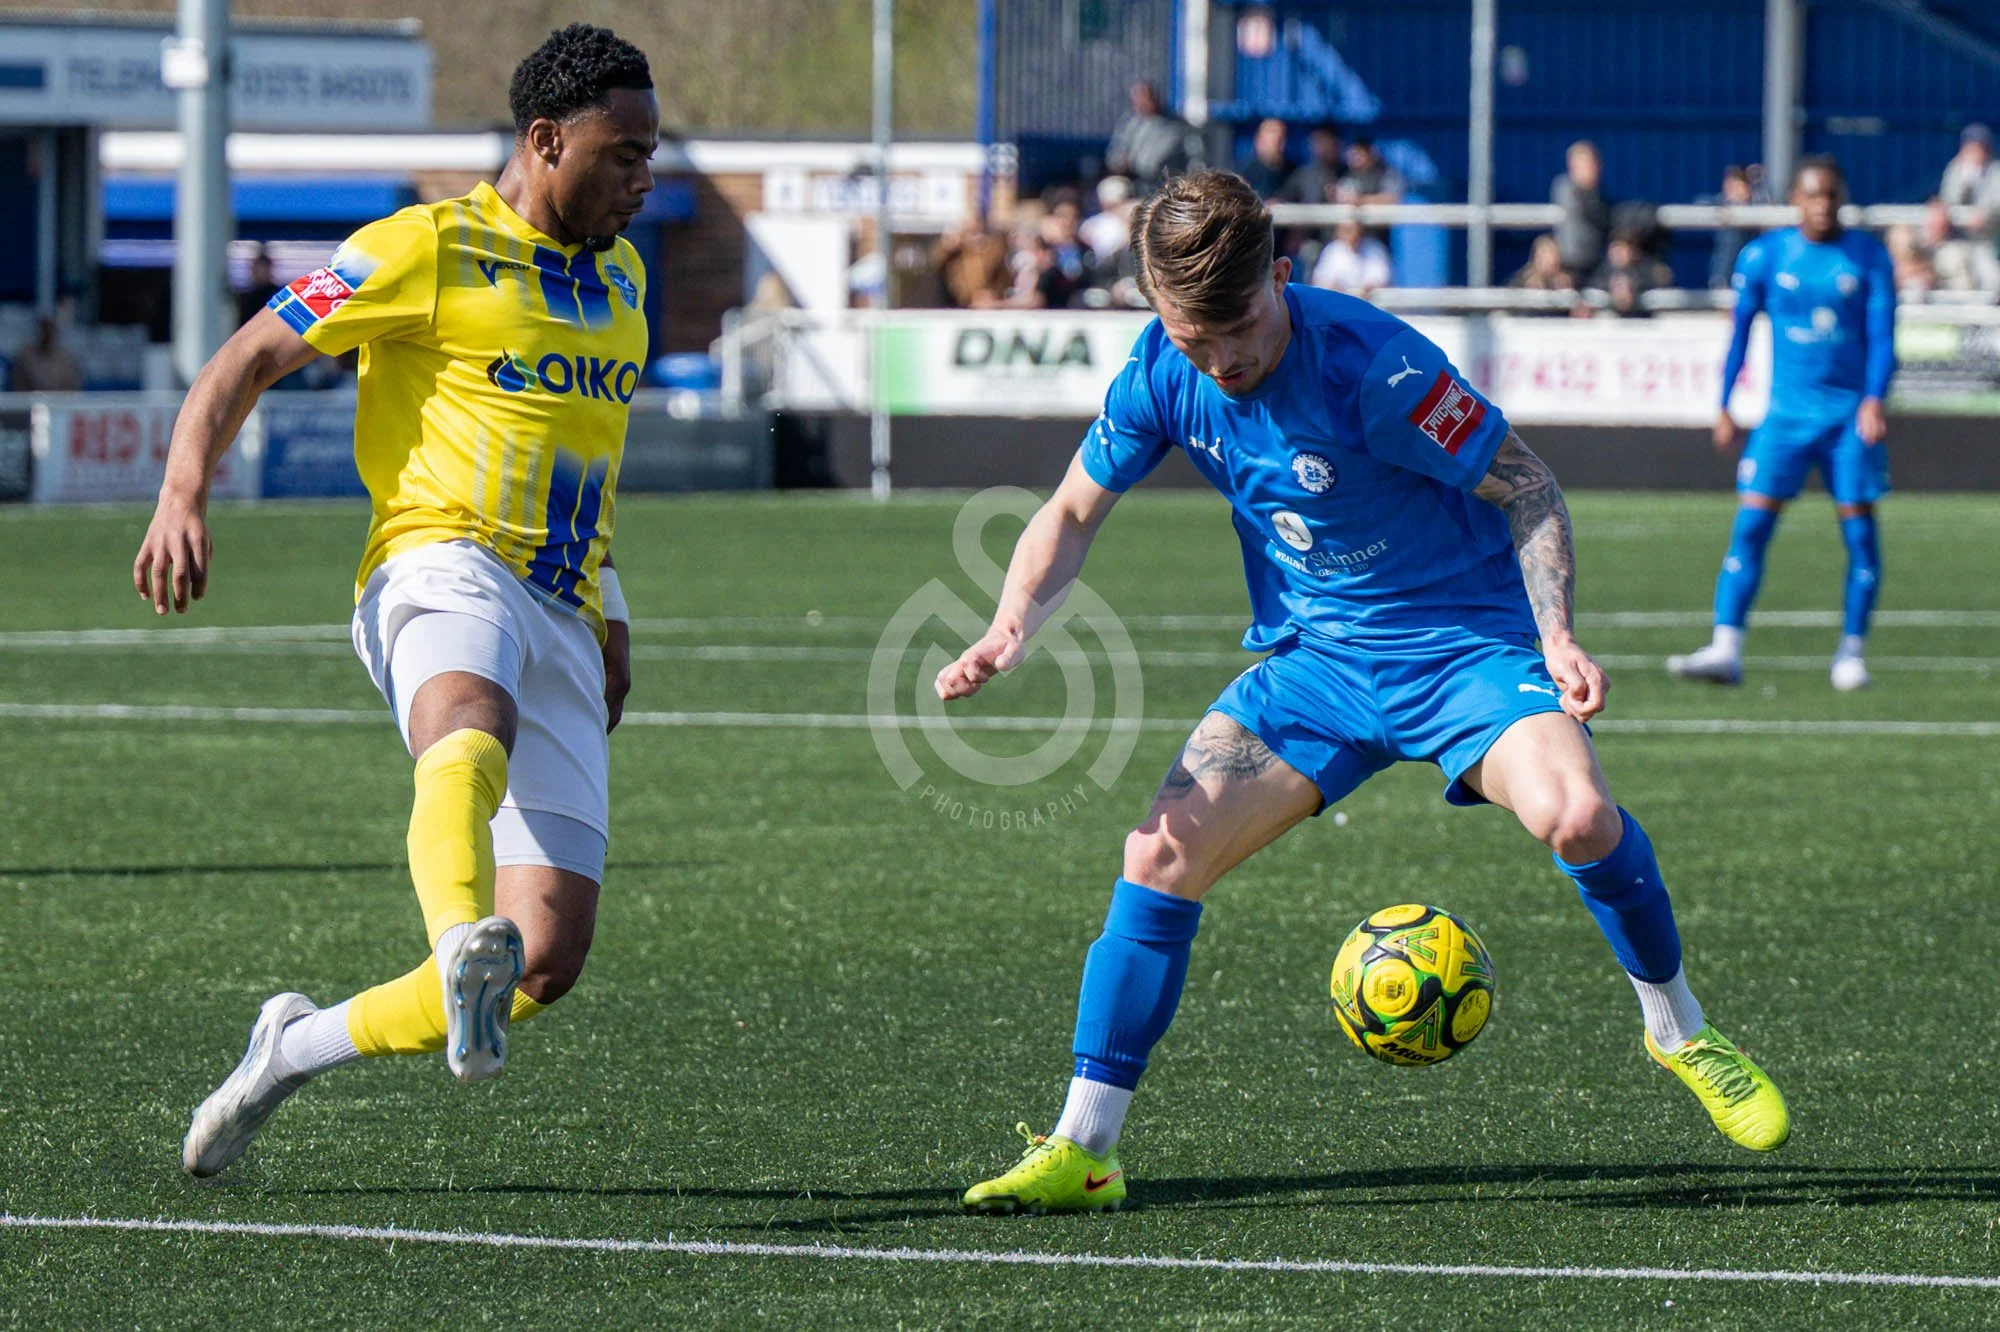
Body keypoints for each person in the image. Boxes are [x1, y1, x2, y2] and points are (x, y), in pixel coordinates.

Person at [942, 171, 1790, 1215]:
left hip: (1464, 652)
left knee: (1575, 817)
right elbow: (1070, 514)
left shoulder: (1375, 369)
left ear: (1282, 278)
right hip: (1320, 668)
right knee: (1157, 854)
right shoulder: (1162, 369)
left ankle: (1677, 1031)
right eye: (1193, 337)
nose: (1223, 359)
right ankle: (1085, 1149)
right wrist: (1008, 625)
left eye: (1239, 326)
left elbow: (1525, 485)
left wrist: (1556, 633)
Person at [135, 23, 658, 1177]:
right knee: (466, 718)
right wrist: (183, 494)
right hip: (436, 561)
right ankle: (451, 936)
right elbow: (245, 361)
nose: (643, 177)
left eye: (649, 154)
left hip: (563, 606)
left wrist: (611, 610)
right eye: (623, 153)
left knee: (544, 966)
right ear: (543, 140)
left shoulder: (621, 278)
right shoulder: (418, 248)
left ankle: (289, 1048)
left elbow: (590, 462)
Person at [1669, 157, 1895, 693]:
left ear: (1842, 197)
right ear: (1796, 197)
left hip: (1845, 420)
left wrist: (1874, 399)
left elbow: (1885, 338)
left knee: (1860, 536)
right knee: (1750, 527)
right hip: (1785, 420)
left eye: (1831, 196)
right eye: (1813, 196)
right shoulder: (1767, 255)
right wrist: (1724, 402)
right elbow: (1741, 332)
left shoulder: (1868, 256)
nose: (1822, 206)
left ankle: (1851, 652)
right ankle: (1726, 648)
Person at [1105, 81, 1204, 194]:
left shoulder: (1174, 127)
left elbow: (1153, 163)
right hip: (1131, 182)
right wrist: (1120, 162)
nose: (1141, 103)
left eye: (1144, 98)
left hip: (1162, 185)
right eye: (1137, 99)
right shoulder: (1130, 123)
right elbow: (1115, 154)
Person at [1938, 123, 2000, 292]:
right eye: (1971, 146)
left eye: (1979, 146)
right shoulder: (1956, 168)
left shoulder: (1996, 170)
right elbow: (1948, 200)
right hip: (1956, 239)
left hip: (1988, 239)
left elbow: (1996, 204)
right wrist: (1966, 179)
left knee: (1992, 280)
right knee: (1953, 264)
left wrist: (1984, 216)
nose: (1974, 151)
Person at [1552, 141, 1611, 285]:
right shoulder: (1565, 188)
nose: (1593, 169)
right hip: (1570, 265)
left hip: (1598, 264)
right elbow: (1593, 214)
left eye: (1594, 163)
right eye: (1585, 163)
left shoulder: (1599, 194)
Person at [1586, 230, 1674, 317]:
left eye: (1622, 249)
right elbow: (1593, 287)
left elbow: (1657, 284)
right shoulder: (1602, 270)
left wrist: (1633, 289)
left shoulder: (1649, 270)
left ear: (1634, 252)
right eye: (1614, 249)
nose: (1617, 254)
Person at [1706, 166, 1762, 291]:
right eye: (1729, 187)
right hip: (1723, 273)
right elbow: (1699, 204)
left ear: (1747, 189)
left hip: (1749, 271)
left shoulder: (1755, 209)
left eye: (1736, 187)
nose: (1731, 192)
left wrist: (1759, 182)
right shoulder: (1720, 204)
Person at [1308, 217, 1390, 297]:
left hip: (1368, 303)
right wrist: (1339, 290)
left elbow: (1381, 280)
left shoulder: (1374, 248)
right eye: (1346, 230)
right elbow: (1322, 280)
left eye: (1353, 229)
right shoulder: (1332, 250)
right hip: (1338, 303)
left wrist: (1365, 290)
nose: (1351, 234)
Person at [9, 314, 83, 391]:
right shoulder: (24, 357)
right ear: (39, 331)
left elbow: (74, 391)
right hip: (29, 401)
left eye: (51, 329)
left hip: (60, 402)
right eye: (45, 329)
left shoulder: (68, 360)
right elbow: (18, 390)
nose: (48, 334)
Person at [1238, 118, 1293, 199]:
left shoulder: (1293, 173)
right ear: (1258, 141)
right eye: (1273, 140)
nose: (1279, 146)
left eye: (1281, 139)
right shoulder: (1244, 173)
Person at [236, 246, 282, 327]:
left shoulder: (276, 296)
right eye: (255, 269)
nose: (257, 273)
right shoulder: (246, 298)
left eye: (261, 269)